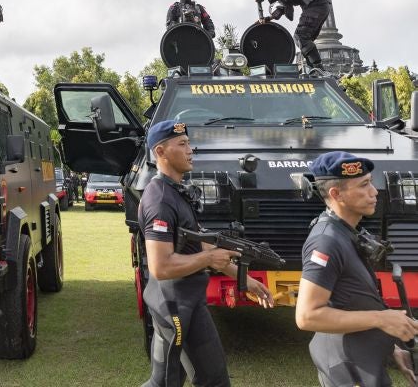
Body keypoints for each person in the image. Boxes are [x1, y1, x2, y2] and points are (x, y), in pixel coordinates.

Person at [138, 119, 273, 387]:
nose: (191, 150)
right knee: (165, 382)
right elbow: (160, 266)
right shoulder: (160, 200)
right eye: (182, 144)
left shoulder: (177, 193)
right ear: (160, 152)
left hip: (191, 301)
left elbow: (202, 244)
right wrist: (210, 259)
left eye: (189, 143)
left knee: (215, 379)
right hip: (171, 304)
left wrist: (245, 280)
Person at [296, 151, 418, 387]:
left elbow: (352, 299)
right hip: (348, 366)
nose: (374, 192)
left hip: (362, 357)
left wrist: (392, 348)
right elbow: (307, 316)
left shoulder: (346, 231)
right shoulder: (326, 242)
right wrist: (382, 319)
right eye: (364, 185)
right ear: (336, 194)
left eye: (371, 182)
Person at [256, 0, 330, 70]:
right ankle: (314, 69)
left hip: (314, 6)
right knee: (305, 40)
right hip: (320, 5)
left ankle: (319, 70)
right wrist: (268, 19)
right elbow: (285, 3)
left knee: (300, 36)